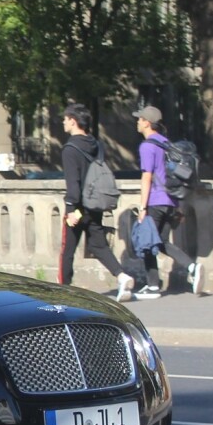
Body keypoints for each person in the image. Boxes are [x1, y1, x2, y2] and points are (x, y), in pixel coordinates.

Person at [58, 103, 133, 302]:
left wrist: (72, 209)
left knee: (67, 250)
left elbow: (73, 182)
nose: (63, 122)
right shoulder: (96, 144)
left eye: (65, 119)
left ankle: (63, 292)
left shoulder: (70, 149)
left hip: (79, 208)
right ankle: (122, 276)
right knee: (99, 246)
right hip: (95, 204)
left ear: (73, 121)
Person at [134, 105, 203, 298]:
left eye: (140, 119)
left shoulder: (147, 146)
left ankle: (153, 286)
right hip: (171, 200)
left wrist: (142, 206)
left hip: (155, 199)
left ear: (147, 123)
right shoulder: (166, 143)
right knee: (162, 241)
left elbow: (147, 176)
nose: (137, 122)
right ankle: (192, 267)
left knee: (147, 240)